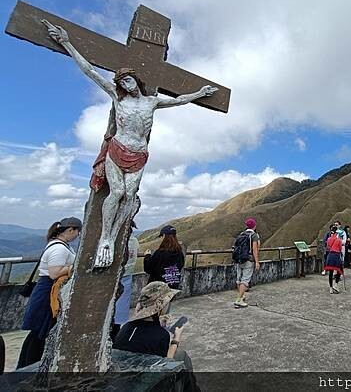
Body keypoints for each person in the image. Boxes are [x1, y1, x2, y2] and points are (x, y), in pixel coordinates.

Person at [43, 20, 217, 268]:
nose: (127, 84)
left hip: (139, 153)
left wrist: (200, 93)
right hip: (118, 149)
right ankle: (105, 238)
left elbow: (179, 100)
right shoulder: (118, 98)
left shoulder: (151, 102)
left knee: (130, 195)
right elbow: (90, 72)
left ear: (136, 80)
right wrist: (67, 42)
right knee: (118, 192)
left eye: (130, 80)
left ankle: (113, 238)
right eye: (122, 82)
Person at [17, 217, 82, 368]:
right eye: (77, 232)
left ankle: (28, 365)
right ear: (71, 230)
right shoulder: (58, 248)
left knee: (40, 332)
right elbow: (54, 273)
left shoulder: (61, 245)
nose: (78, 235)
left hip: (50, 290)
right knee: (40, 331)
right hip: (48, 291)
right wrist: (73, 268)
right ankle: (29, 366)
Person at [114, 281, 196, 389]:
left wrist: (159, 325)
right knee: (182, 356)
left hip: (122, 381)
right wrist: (176, 339)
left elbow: (141, 335)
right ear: (161, 306)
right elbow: (164, 367)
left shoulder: (125, 327)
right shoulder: (161, 335)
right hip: (145, 385)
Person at [112, 224, 140, 340]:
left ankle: (112, 335)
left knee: (111, 310)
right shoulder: (134, 241)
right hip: (128, 276)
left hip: (115, 277)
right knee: (120, 310)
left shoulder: (117, 241)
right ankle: (116, 334)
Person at [144, 225, 185, 290]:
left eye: (161, 236)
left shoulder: (160, 253)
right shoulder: (179, 253)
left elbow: (148, 269)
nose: (160, 238)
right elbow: (181, 265)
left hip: (158, 288)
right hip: (173, 287)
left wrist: (147, 256)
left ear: (164, 236)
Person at [233, 218, 260, 308]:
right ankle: (238, 300)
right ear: (254, 226)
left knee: (239, 279)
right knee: (245, 280)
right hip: (248, 260)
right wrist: (257, 262)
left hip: (239, 259)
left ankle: (241, 295)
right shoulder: (254, 235)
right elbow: (255, 249)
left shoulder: (241, 234)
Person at [324, 228, 344, 293]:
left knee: (331, 272)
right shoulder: (339, 240)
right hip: (337, 256)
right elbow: (340, 249)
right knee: (339, 270)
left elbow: (328, 247)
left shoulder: (328, 239)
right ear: (336, 233)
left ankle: (330, 288)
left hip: (330, 255)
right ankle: (336, 284)